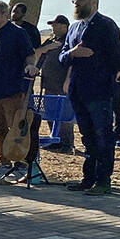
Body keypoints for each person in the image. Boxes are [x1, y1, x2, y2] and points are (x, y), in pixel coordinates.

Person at [59, 0, 120, 196]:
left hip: (99, 92)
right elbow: (62, 57)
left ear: (94, 2)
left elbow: (119, 60)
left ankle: (103, 180)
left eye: (80, 0)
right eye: (74, 0)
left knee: (103, 136)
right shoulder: (74, 28)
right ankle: (88, 178)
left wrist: (103, 74)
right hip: (78, 91)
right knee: (87, 137)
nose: (76, 4)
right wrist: (73, 53)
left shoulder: (106, 25)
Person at [0, 0, 40, 184]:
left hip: (13, 91)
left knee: (16, 129)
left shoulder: (18, 33)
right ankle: (4, 163)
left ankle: (21, 164)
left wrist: (31, 66)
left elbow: (29, 55)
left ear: (5, 15)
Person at [40, 15, 74, 153]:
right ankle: (55, 140)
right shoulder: (51, 41)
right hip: (49, 83)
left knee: (64, 115)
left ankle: (67, 144)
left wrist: (68, 80)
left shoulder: (69, 40)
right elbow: (38, 53)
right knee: (50, 112)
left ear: (64, 26)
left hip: (62, 84)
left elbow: (72, 62)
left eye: (56, 25)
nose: (53, 27)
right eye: (52, 25)